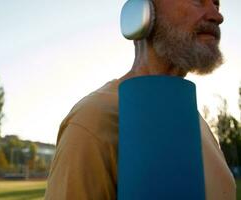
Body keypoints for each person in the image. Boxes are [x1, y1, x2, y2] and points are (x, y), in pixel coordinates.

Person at [44, 0, 236, 199]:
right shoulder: (92, 120)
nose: (217, 16)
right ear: (142, 9)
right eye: (198, 0)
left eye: (216, 4)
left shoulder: (196, 121)